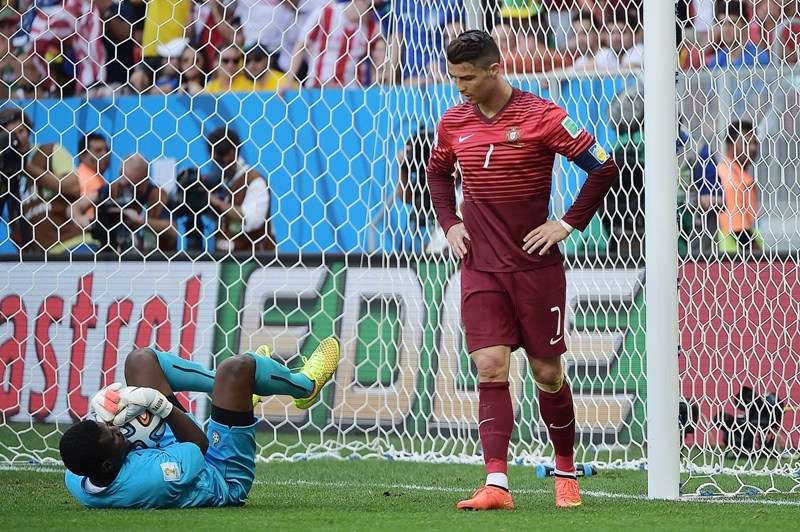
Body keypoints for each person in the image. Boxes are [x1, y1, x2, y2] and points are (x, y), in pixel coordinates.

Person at [426, 30, 618, 510]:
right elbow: (436, 174)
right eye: (453, 78)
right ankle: (497, 484)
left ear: (495, 70)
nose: (460, 87)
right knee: (490, 365)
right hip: (481, 266)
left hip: (535, 268)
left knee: (547, 372)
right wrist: (449, 223)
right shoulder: (453, 122)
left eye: (467, 78)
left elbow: (603, 166)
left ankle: (566, 470)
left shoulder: (543, 116)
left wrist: (567, 223)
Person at [59, 338, 341, 508]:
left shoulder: (79, 474)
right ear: (108, 465)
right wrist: (159, 405)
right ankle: (307, 386)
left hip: (166, 450)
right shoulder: (151, 480)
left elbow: (96, 442)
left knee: (140, 360)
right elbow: (199, 446)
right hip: (216, 470)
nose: (117, 429)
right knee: (237, 368)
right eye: (115, 435)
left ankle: (239, 391)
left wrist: (105, 406)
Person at [205, 126, 276, 254]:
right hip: (225, 260)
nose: (217, 166)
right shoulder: (220, 183)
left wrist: (217, 203)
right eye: (213, 162)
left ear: (232, 154)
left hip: (255, 262)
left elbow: (253, 220)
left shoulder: (255, 181)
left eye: (220, 161)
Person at [285, 0, 384, 89]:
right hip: (318, 86)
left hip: (351, 90)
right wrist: (288, 81)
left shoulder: (373, 28)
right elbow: (301, 46)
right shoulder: (325, 13)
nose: (373, 13)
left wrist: (378, 78)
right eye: (371, 7)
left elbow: (378, 56)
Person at [91, 154, 178, 254]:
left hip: (154, 260)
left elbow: (172, 231)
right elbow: (77, 207)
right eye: (122, 178)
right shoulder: (114, 189)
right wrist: (89, 223)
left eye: (131, 184)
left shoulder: (158, 196)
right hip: (116, 257)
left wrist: (140, 221)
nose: (124, 186)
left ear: (145, 180)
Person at [717, 119, 761, 254]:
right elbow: (739, 230)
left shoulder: (740, 175)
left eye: (755, 142)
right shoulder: (730, 177)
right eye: (746, 143)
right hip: (732, 256)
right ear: (730, 145)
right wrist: (761, 259)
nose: (753, 148)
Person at [707, 0, 770, 68]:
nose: (726, 29)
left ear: (744, 26)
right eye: (722, 24)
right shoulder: (716, 61)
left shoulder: (760, 58)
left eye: (732, 23)